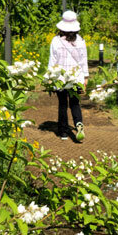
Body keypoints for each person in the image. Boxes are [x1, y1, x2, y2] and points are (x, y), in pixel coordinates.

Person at [48, 10, 88, 141]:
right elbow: (83, 61)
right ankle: (78, 124)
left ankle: (63, 131)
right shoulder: (81, 41)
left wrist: (50, 78)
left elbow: (52, 61)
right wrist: (85, 79)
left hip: (61, 78)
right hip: (76, 78)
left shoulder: (56, 41)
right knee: (75, 103)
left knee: (63, 104)